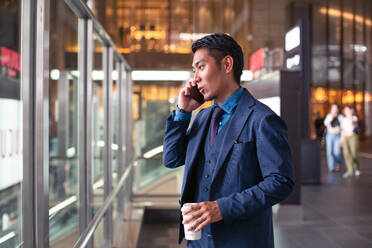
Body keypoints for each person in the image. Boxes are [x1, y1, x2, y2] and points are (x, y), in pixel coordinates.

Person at [163, 33, 294, 248]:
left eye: (201, 67)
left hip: (241, 241)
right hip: (198, 241)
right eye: (194, 70)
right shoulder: (202, 116)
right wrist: (183, 112)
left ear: (227, 64)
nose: (195, 78)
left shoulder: (262, 119)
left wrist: (222, 208)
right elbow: (171, 158)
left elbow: (281, 182)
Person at [340, 105, 361, 178]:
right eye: (345, 110)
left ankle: (357, 168)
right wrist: (341, 139)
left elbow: (352, 122)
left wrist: (350, 114)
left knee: (354, 153)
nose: (345, 111)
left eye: (347, 110)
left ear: (351, 110)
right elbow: (342, 130)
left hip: (353, 137)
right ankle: (350, 170)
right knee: (346, 154)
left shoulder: (354, 117)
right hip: (345, 137)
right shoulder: (344, 119)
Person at [323, 104, 343, 172]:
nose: (335, 110)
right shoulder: (329, 116)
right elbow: (325, 123)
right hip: (330, 135)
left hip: (337, 135)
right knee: (329, 152)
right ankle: (331, 167)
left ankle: (338, 164)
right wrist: (332, 117)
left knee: (337, 152)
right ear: (331, 109)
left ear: (338, 109)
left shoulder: (340, 116)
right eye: (333, 108)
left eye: (336, 108)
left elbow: (343, 126)